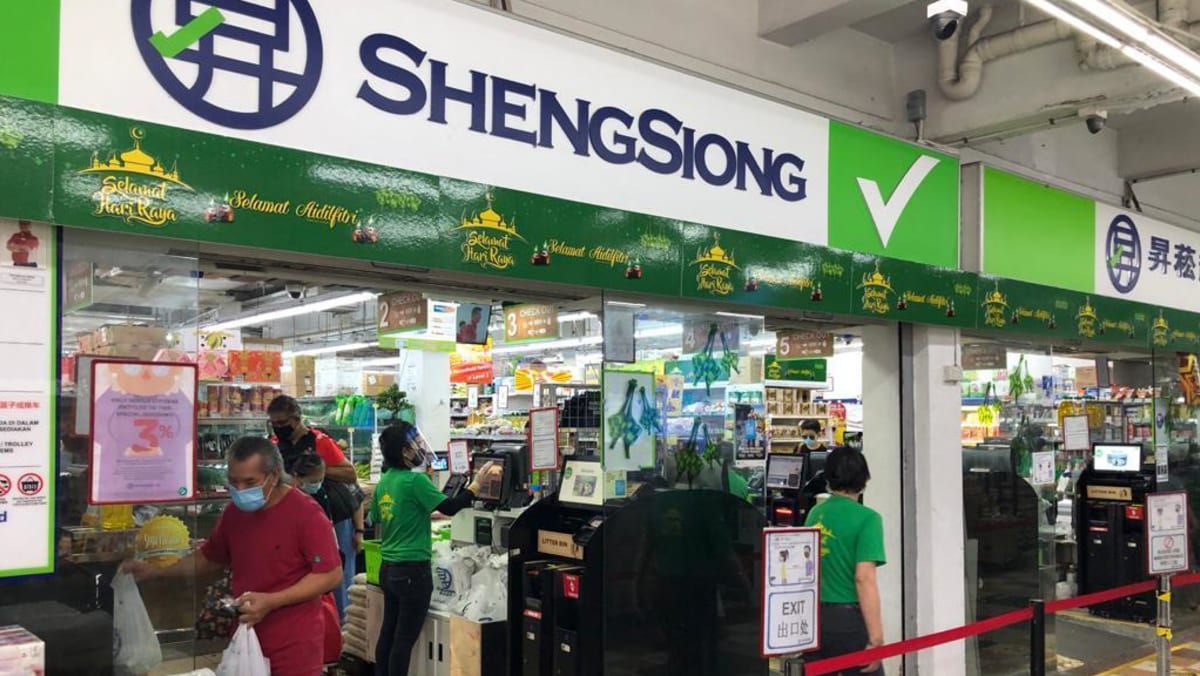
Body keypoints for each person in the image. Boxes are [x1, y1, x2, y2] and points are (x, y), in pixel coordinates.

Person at [125, 437, 342, 675]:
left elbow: (330, 575)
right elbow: (209, 558)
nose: (240, 490)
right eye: (233, 482)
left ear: (274, 475)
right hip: (244, 638)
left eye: (250, 482)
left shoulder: (306, 513)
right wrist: (156, 571)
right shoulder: (234, 513)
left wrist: (273, 601)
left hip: (293, 644)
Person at [370, 421, 496, 675]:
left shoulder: (385, 482)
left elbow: (378, 517)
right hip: (412, 571)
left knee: (389, 633)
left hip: (388, 569)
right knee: (404, 639)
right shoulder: (414, 481)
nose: (420, 448)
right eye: (416, 444)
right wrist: (477, 484)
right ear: (405, 451)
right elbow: (450, 507)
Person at [268, 394, 363, 622]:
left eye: (282, 423)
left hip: (334, 516)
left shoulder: (320, 441)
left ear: (296, 419)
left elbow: (350, 474)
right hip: (294, 519)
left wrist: (316, 471)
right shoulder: (274, 444)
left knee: (338, 575)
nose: (278, 428)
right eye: (274, 423)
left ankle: (341, 628)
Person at [804, 447, 886, 675]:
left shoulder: (815, 514)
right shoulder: (868, 519)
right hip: (848, 622)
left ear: (828, 477)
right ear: (864, 480)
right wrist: (876, 638)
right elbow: (864, 578)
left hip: (814, 619)